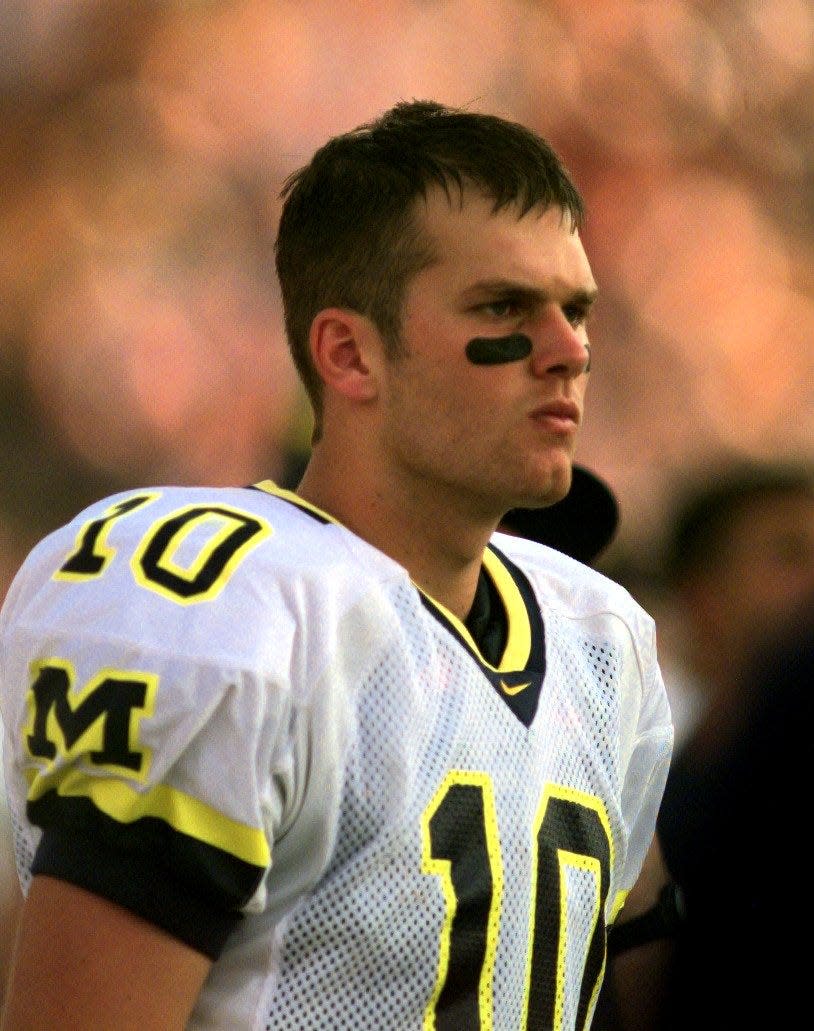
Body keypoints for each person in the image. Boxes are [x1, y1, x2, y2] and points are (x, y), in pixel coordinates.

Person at [0, 99, 672, 1029]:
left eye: (578, 309)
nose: (569, 352)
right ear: (350, 354)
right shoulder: (231, 612)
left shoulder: (601, 642)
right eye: (505, 306)